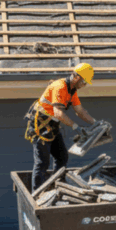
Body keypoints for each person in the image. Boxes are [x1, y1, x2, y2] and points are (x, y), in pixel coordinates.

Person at [23, 63, 97, 192]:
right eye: (84, 82)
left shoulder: (72, 90)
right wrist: (76, 127)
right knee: (42, 163)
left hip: (52, 125)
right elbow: (58, 113)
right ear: (77, 78)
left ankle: (57, 185)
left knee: (62, 156)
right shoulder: (60, 87)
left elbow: (80, 111)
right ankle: (37, 194)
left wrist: (95, 123)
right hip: (40, 125)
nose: (85, 85)